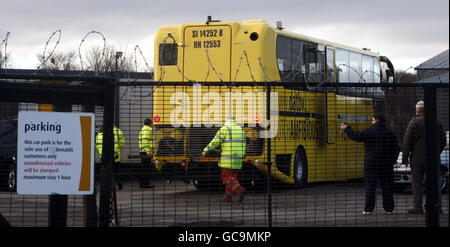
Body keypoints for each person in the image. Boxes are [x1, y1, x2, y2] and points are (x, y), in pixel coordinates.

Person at [340, 112, 399, 215]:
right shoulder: (391, 133)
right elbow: (396, 149)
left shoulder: (369, 131)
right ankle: (388, 209)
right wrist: (392, 161)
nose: (371, 122)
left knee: (370, 187)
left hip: (371, 163)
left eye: (372, 120)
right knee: (387, 187)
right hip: (386, 164)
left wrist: (346, 129)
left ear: (377, 120)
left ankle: (368, 209)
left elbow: (356, 136)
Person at [402, 100, 446, 214]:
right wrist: (436, 152)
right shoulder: (436, 121)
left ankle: (418, 208)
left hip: (417, 159)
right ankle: (437, 207)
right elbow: (443, 140)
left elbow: (407, 142)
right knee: (435, 184)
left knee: (417, 184)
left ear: (417, 110)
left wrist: (405, 158)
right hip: (433, 158)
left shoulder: (414, 122)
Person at [202, 116, 247, 202]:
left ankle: (240, 190)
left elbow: (215, 142)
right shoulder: (240, 129)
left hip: (228, 159)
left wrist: (206, 150)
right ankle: (227, 197)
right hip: (238, 158)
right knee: (232, 178)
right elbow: (244, 143)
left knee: (226, 177)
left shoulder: (224, 129)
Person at [95, 124, 125, 190]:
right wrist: (117, 150)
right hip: (115, 156)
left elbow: (97, 147)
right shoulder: (116, 132)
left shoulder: (98, 136)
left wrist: (100, 153)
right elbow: (121, 143)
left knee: (106, 171)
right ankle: (119, 185)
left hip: (103, 157)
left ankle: (107, 186)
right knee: (116, 171)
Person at [138, 118, 156, 188]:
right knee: (146, 168)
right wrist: (148, 152)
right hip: (146, 153)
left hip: (143, 152)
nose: (152, 124)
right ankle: (145, 184)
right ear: (150, 123)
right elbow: (145, 142)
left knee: (144, 168)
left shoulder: (143, 129)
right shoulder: (147, 130)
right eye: (152, 123)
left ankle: (143, 183)